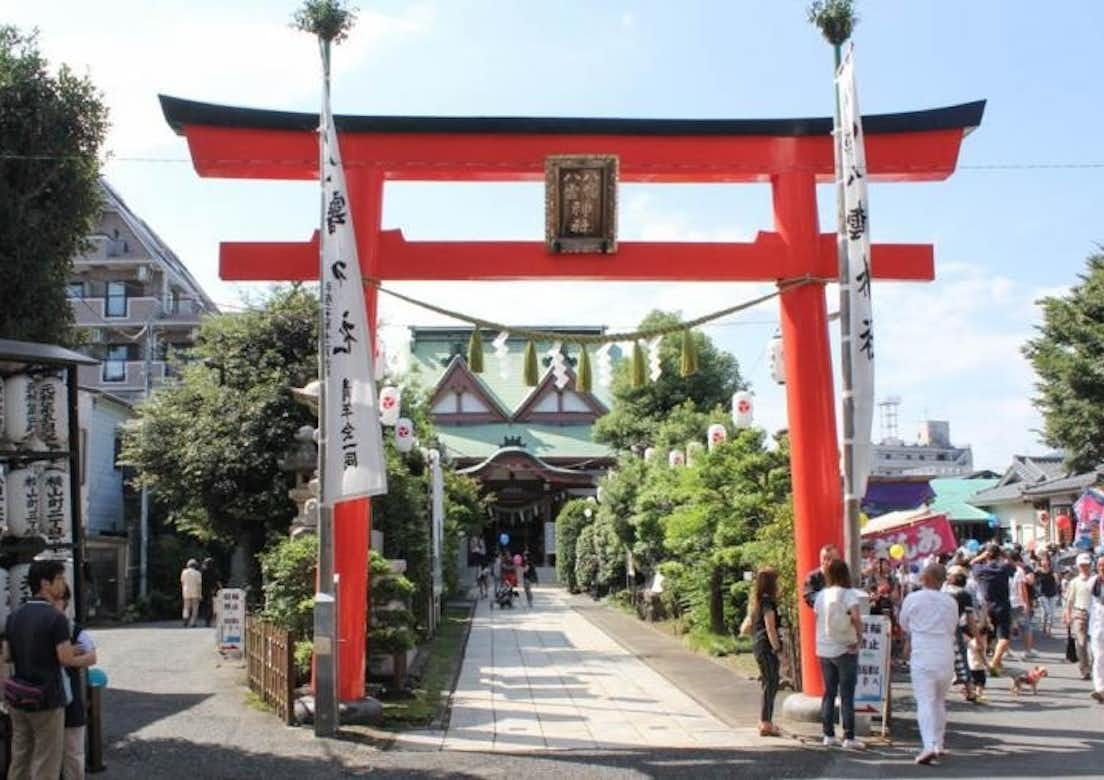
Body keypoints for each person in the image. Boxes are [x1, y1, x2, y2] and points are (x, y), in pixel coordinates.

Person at [3, 560, 87, 780]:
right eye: (59, 578)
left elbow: (7, 655)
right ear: (44, 584)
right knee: (46, 759)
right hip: (46, 699)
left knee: (20, 754)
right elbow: (65, 659)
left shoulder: (13, 617)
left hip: (17, 697)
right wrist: (80, 654)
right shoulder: (56, 618)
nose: (63, 583)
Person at [899, 562, 959, 765]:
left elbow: (903, 623)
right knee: (939, 700)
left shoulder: (913, 598)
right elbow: (953, 626)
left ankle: (929, 744)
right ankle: (939, 743)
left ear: (926, 578)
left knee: (925, 701)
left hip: (923, 653)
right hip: (945, 653)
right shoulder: (951, 601)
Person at [813, 559, 865, 750]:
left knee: (829, 692)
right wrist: (859, 638)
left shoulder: (821, 596)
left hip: (824, 649)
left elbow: (819, 619)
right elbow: (857, 618)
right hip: (845, 648)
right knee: (847, 694)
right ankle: (849, 737)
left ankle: (828, 735)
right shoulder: (848, 594)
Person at [51, 584, 96, 780]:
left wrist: (67, 658)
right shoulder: (41, 625)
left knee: (73, 754)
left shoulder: (74, 629)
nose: (53, 605)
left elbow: (92, 656)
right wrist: (70, 653)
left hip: (70, 700)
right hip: (47, 701)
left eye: (58, 601)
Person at [970, 544, 1016, 675]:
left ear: (987, 555)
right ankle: (994, 662)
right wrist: (1005, 555)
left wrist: (983, 555)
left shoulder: (981, 570)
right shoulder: (1004, 568)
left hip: (986, 607)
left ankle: (990, 661)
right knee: (1004, 636)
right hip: (1002, 605)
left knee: (987, 635)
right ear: (999, 555)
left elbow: (972, 562)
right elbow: (1014, 567)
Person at [750, 567, 784, 737]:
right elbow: (770, 628)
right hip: (766, 647)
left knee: (769, 682)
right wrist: (777, 649)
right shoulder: (767, 603)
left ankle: (765, 720)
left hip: (759, 645)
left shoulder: (758, 601)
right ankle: (766, 722)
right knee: (771, 682)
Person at [943, 566, 977, 701]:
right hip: (951, 628)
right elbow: (970, 620)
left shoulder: (942, 591)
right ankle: (969, 690)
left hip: (934, 629)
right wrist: (977, 637)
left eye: (949, 574)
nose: (947, 576)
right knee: (960, 658)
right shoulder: (964, 594)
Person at [1065, 552, 1095, 681]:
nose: (1084, 567)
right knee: (1081, 643)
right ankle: (1085, 669)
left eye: (1086, 565)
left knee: (1096, 644)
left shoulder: (1096, 580)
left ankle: (1095, 666)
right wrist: (1067, 614)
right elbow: (1069, 601)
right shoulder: (1074, 582)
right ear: (1078, 566)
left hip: (1095, 614)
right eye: (1082, 565)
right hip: (1079, 613)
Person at [1009, 552, 1038, 659]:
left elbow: (1030, 582)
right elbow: (1022, 590)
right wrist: (1026, 604)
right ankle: (1027, 651)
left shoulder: (1005, 570)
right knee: (1025, 627)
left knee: (1009, 627)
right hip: (1019, 602)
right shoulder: (1018, 571)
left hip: (1010, 602)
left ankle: (1008, 650)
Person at [803, 544, 840, 608]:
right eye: (825, 559)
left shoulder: (842, 575)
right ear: (821, 559)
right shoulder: (812, 577)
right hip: (823, 613)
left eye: (831, 559)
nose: (827, 562)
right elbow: (809, 597)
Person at [1090, 556, 1104, 702]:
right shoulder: (1093, 582)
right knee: (1099, 656)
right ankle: (1100, 689)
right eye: (1100, 565)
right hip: (1097, 624)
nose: (1102, 567)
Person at [1036, 554, 1060, 638]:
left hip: (1052, 593)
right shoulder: (1038, 571)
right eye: (1042, 560)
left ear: (1049, 561)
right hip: (1042, 594)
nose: (1044, 562)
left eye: (1046, 560)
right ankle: (1045, 626)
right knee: (1046, 612)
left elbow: (1057, 581)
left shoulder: (1052, 571)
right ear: (1040, 562)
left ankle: (1048, 629)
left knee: (1051, 613)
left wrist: (1057, 578)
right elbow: (1034, 581)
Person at [200, 557, 222, 628]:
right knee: (212, 605)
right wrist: (221, 589)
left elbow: (200, 582)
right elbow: (218, 581)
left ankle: (206, 619)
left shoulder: (202, 571)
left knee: (205, 605)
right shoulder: (215, 571)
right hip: (213, 590)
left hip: (203, 590)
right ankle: (210, 619)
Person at [180, 559, 202, 627]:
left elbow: (182, 582)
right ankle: (193, 622)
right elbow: (199, 584)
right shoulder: (198, 573)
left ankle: (185, 619)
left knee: (186, 607)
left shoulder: (184, 572)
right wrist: (200, 594)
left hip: (186, 591)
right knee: (195, 608)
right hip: (195, 591)